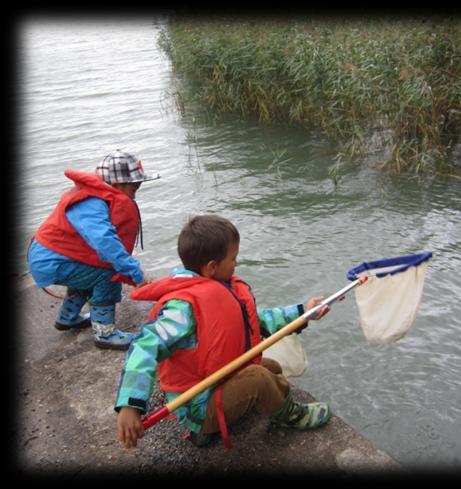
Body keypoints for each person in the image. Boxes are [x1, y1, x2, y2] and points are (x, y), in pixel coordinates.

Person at [115, 214, 333, 449]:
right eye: (233, 259)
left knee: (271, 368)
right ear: (211, 267)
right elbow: (145, 346)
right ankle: (290, 416)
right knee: (259, 379)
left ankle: (221, 423)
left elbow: (258, 320)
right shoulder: (183, 308)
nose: (236, 265)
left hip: (216, 382)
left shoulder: (219, 286)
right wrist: (130, 405)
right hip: (197, 404)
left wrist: (303, 312)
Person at [27, 149, 160, 350]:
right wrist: (136, 273)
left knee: (87, 273)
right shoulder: (91, 203)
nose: (135, 193)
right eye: (134, 188)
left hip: (53, 257)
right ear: (117, 184)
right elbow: (106, 243)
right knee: (109, 273)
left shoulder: (95, 195)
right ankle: (105, 333)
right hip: (52, 261)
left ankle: (68, 317)